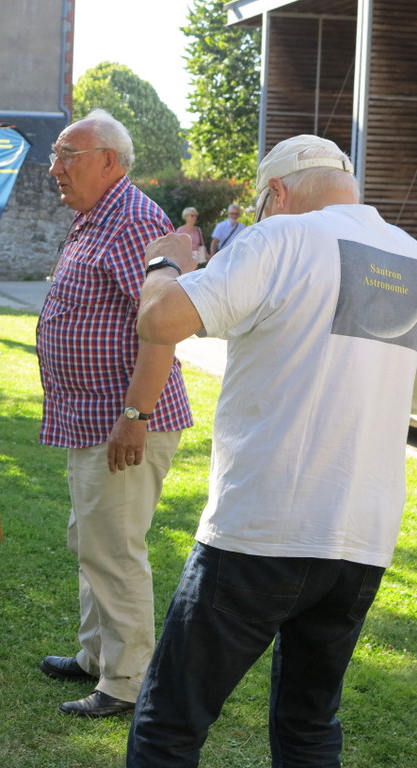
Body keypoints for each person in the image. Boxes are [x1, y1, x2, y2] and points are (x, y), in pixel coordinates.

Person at [128, 134, 417, 766]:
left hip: (260, 530)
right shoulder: (409, 256)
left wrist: (165, 264)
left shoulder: (280, 237)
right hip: (361, 535)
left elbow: (160, 320)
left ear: (277, 192)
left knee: (170, 721)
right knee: (309, 726)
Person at [36, 109, 193, 718]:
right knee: (91, 539)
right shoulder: (94, 217)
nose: (54, 168)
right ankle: (96, 656)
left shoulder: (132, 220)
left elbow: (162, 327)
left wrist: (134, 415)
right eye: (56, 155)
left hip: (124, 420)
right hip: (92, 416)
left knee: (114, 549)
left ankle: (126, 682)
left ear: (108, 160)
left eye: (66, 155)